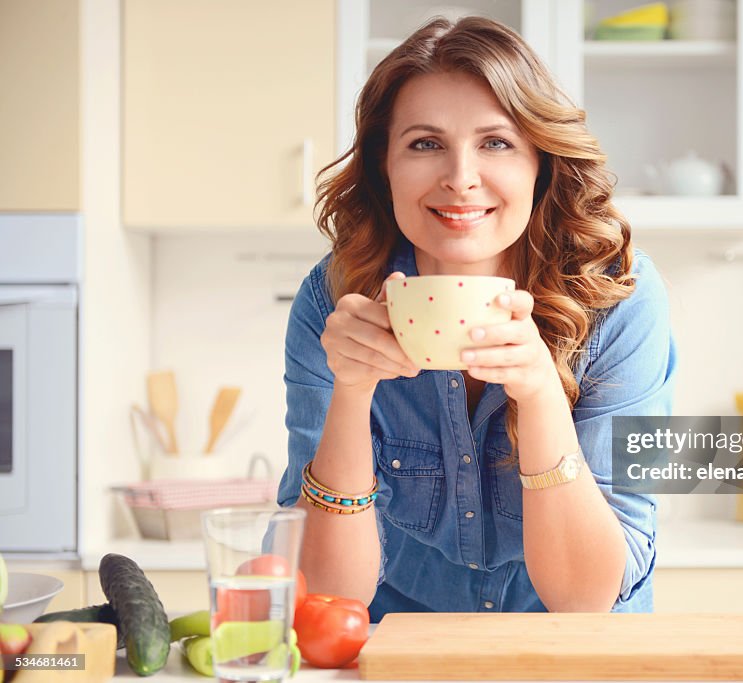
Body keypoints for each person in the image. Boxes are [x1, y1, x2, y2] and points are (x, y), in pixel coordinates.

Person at [278, 15, 677, 621]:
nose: (460, 179)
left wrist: (542, 394)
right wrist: (352, 392)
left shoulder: (620, 296)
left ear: (539, 164)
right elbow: (328, 598)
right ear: (384, 167)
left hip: (570, 655)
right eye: (424, 143)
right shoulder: (335, 300)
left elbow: (584, 600)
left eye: (496, 142)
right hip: (405, 650)